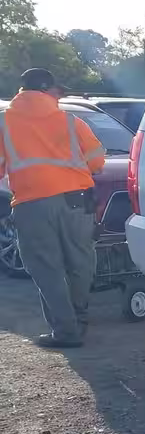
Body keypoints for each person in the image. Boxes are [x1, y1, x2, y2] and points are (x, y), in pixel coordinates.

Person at [0, 68, 105, 347]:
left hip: (32, 205)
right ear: (49, 91)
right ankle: (79, 318)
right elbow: (97, 162)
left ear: (22, 91)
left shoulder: (4, 123)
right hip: (77, 201)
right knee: (80, 262)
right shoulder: (72, 122)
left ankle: (66, 330)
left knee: (47, 269)